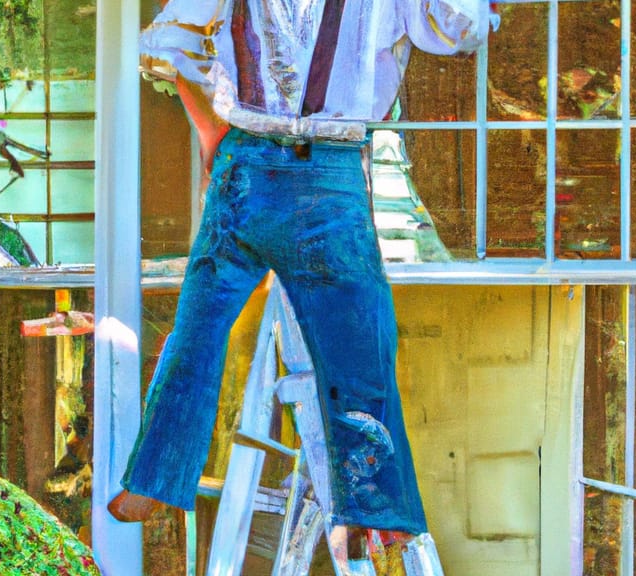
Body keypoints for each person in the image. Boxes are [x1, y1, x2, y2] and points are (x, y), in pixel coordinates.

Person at [110, 0, 488, 541]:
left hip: (330, 171)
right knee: (198, 327)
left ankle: (380, 511)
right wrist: (213, 140)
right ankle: (154, 477)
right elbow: (173, 50)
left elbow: (456, 28)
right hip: (248, 167)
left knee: (361, 344)